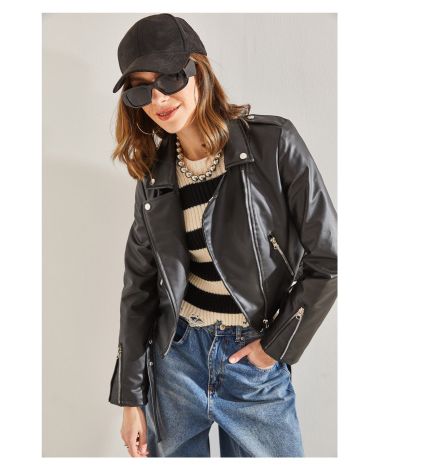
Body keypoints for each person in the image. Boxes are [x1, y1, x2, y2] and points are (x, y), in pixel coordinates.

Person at [108, 13, 337, 458]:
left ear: (199, 71)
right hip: (176, 362)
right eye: (140, 89)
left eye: (169, 77)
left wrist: (273, 349)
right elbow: (139, 289)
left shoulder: (273, 143)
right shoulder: (153, 179)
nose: (158, 98)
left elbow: (329, 258)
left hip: (251, 362)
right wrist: (131, 398)